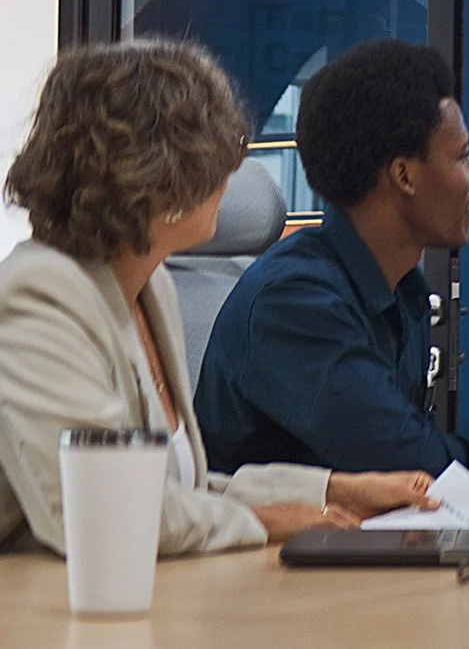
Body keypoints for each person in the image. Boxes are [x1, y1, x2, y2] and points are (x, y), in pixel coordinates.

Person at [0, 40, 436, 555]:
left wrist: (332, 490)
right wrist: (264, 519)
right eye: (211, 152)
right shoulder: (38, 298)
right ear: (154, 173)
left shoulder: (149, 286)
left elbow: (177, 492)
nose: (232, 172)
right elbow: (100, 512)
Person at [195, 39, 469, 503]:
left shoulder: (403, 292)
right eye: (460, 155)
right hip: (261, 562)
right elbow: (407, 459)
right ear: (404, 175)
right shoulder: (291, 300)